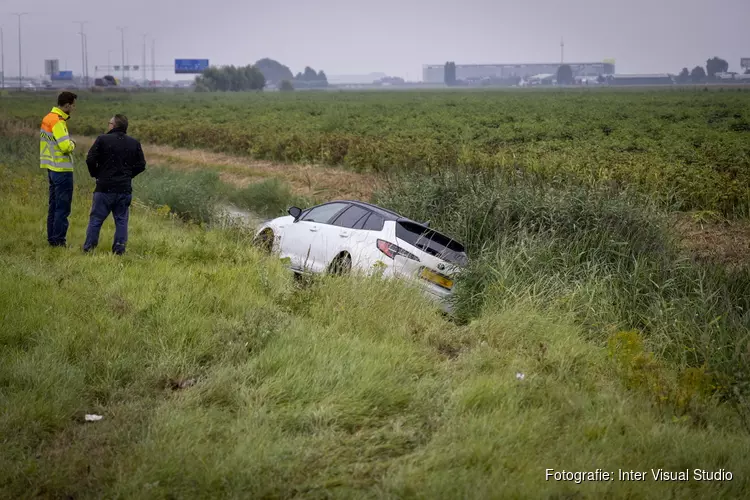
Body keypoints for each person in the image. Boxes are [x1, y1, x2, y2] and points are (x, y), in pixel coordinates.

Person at [83, 114, 146, 255]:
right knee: (121, 220)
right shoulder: (134, 143)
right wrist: (128, 175)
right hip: (124, 189)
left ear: (114, 125)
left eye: (109, 123)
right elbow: (141, 165)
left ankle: (89, 248)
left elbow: (90, 159)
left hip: (104, 187)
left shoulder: (102, 139)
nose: (108, 125)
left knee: (96, 219)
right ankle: (119, 250)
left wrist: (96, 174)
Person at [41, 91, 77, 247]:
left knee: (53, 206)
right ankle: (59, 242)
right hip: (62, 171)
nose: (74, 108)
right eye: (73, 105)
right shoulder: (58, 121)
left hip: (50, 167)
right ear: (67, 105)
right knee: (63, 208)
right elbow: (64, 146)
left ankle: (52, 238)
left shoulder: (47, 118)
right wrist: (72, 143)